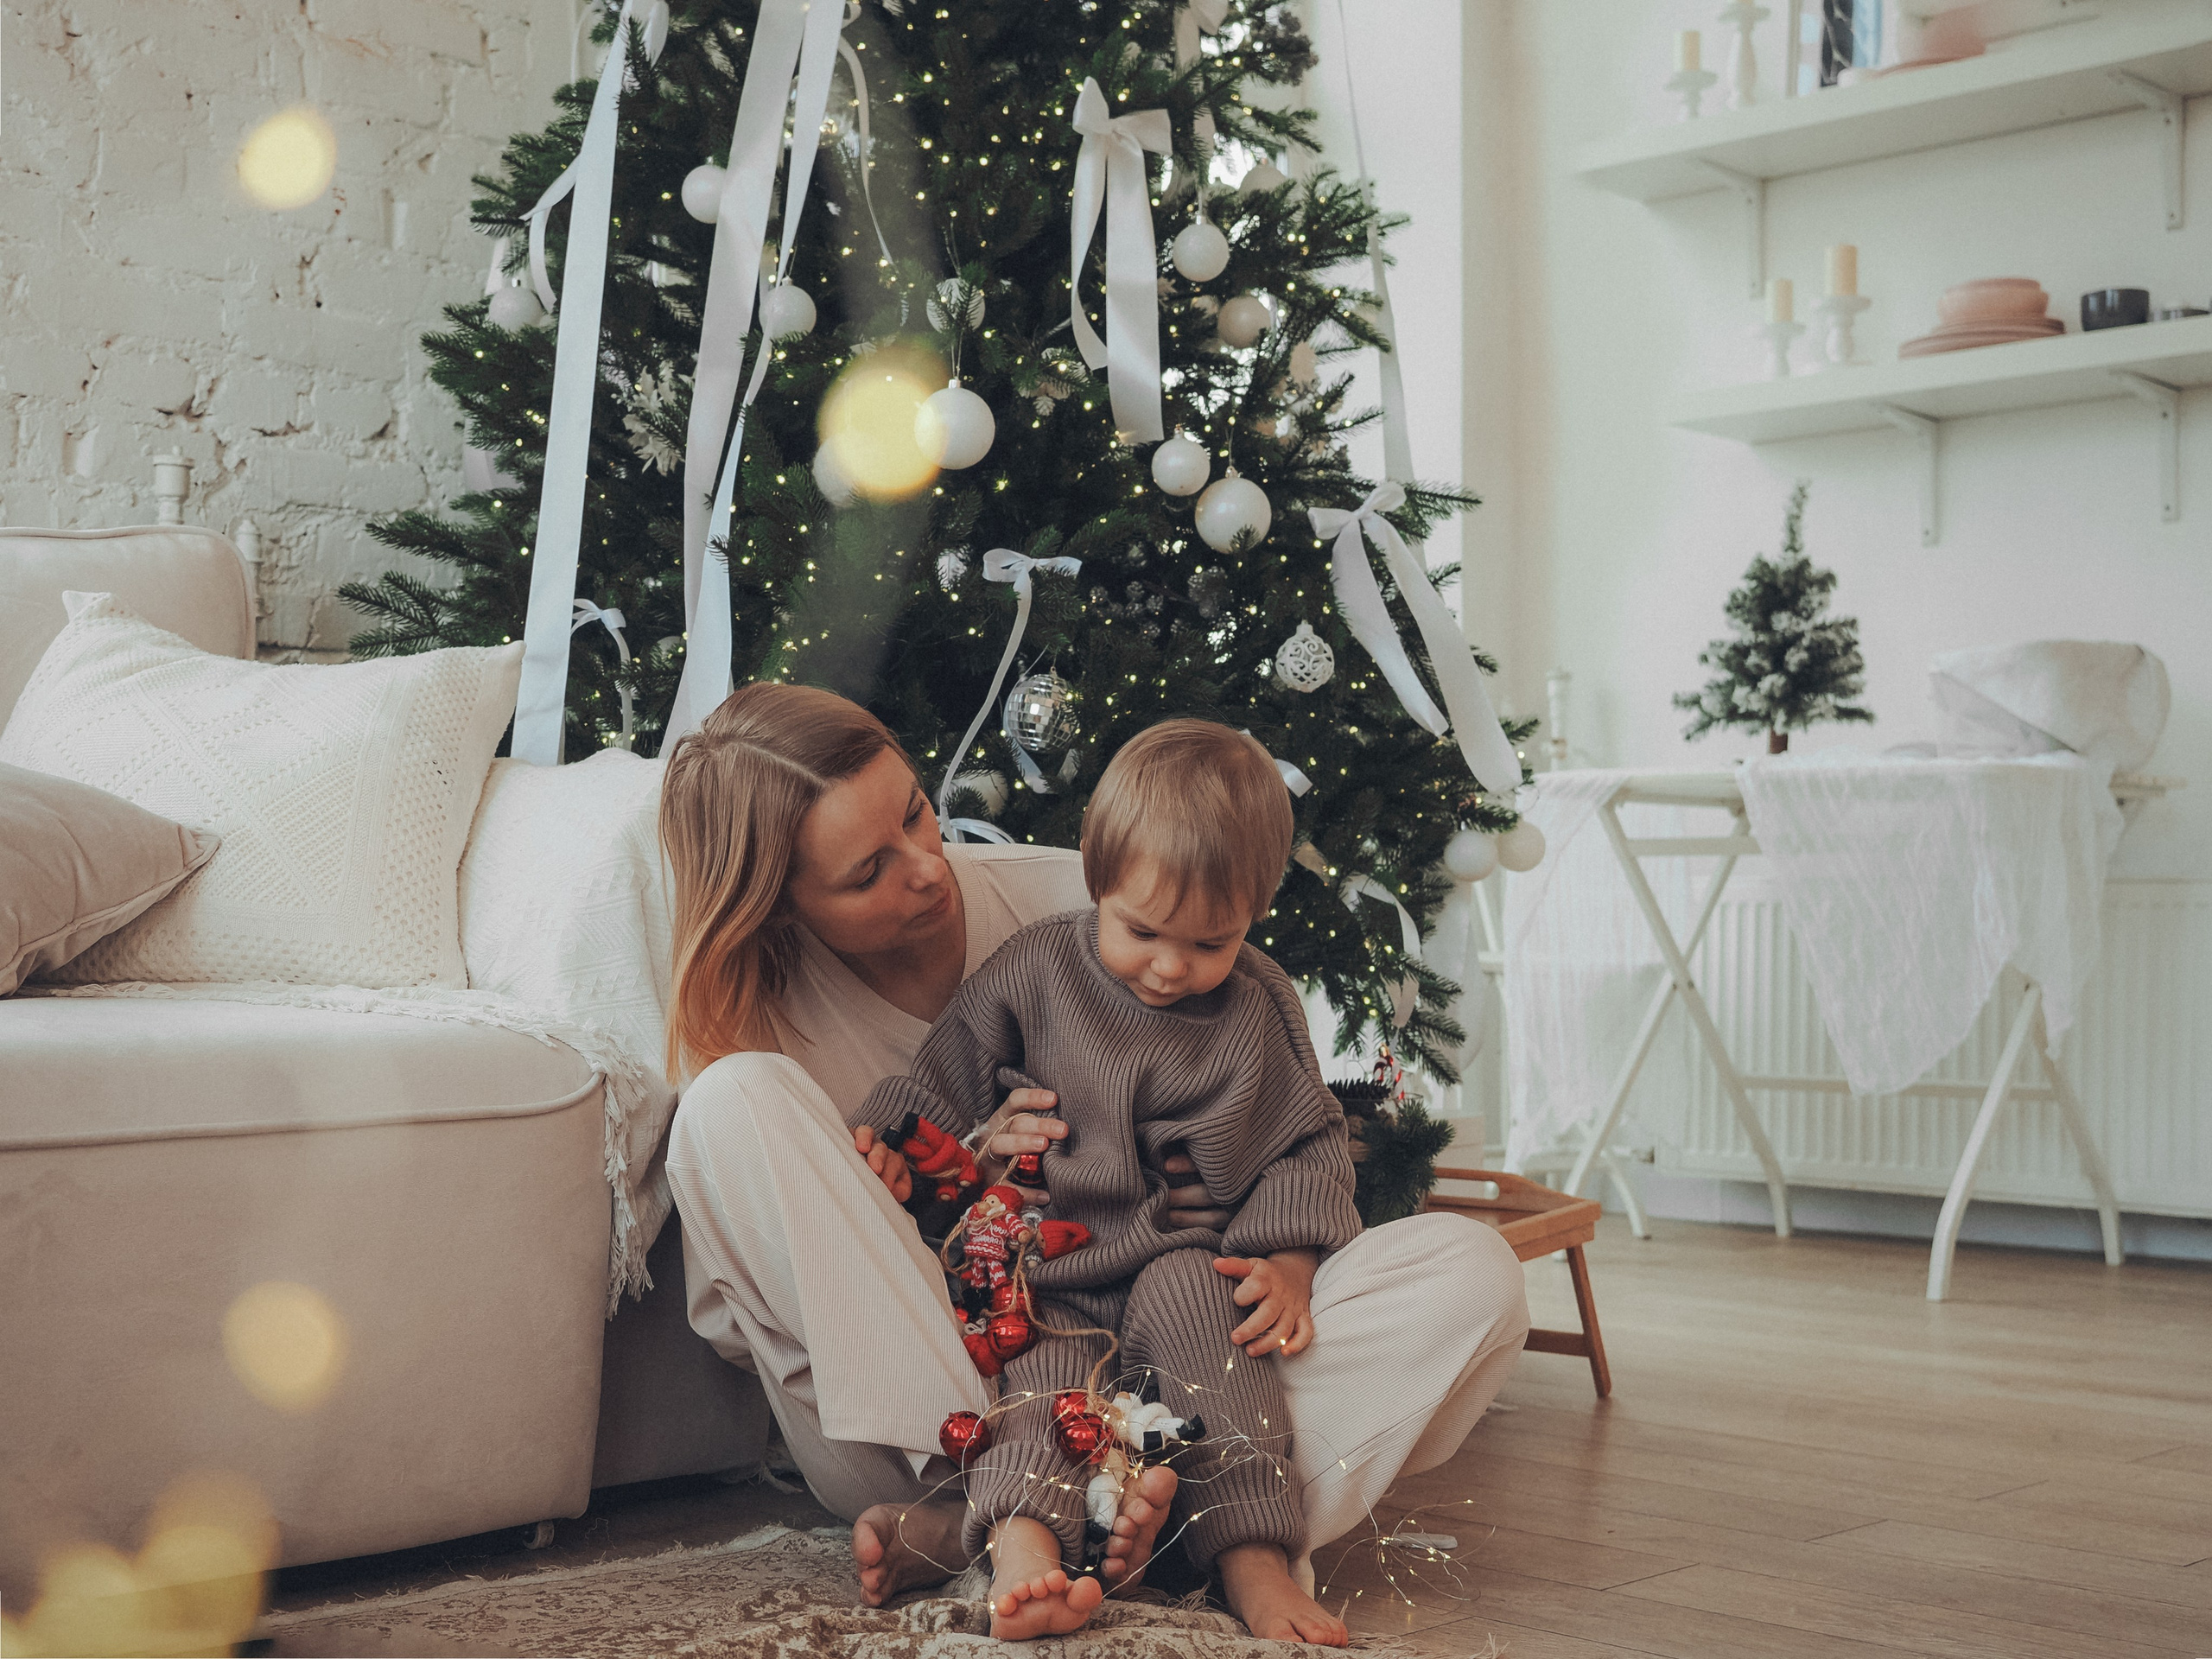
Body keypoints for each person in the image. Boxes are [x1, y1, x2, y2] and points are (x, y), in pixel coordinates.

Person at [657, 683, 1529, 1621]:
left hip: (1178, 1332)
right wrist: (959, 1191)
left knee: (1472, 1271)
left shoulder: (1094, 898)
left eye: (916, 812)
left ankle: (1076, 1529)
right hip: (957, 1378)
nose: (926, 867)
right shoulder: (767, 1023)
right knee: (727, 1100)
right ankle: (1027, 1508)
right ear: (782, 908)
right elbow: (760, 1314)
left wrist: (1286, 1258)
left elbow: (1293, 1136)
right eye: (868, 871)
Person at [854, 721, 1359, 1642]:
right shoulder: (1036, 969)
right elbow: (946, 1072)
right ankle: (1023, 1554)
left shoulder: (1257, 1006)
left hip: (1182, 1263)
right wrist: (897, 1131)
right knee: (1036, 1386)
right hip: (1052, 1274)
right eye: (1144, 931)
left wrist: (1286, 1260)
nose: (1172, 967)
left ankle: (1253, 1563)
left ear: (1257, 909)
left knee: (1225, 1353)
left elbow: (1309, 1142)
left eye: (1212, 942)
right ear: (1097, 875)